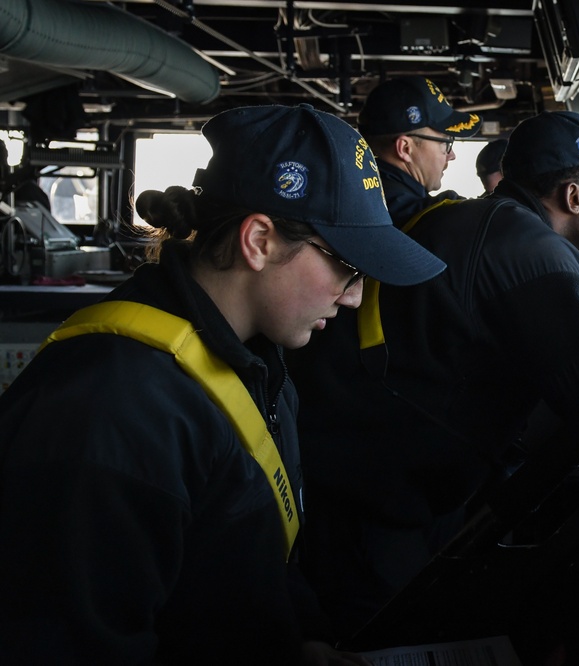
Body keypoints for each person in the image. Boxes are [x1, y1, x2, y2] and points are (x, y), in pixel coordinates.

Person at [0, 104, 445, 665]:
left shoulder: (261, 365)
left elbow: (253, 560)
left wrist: (302, 640)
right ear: (258, 240)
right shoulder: (106, 415)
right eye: (346, 266)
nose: (355, 296)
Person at [287, 110, 579, 636]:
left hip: (361, 461)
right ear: (573, 198)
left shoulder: (479, 219)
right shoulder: (529, 250)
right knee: (379, 637)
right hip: (379, 497)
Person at [356, 75, 480, 225]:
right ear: (405, 149)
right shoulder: (415, 216)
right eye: (446, 143)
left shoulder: (362, 195)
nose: (451, 155)